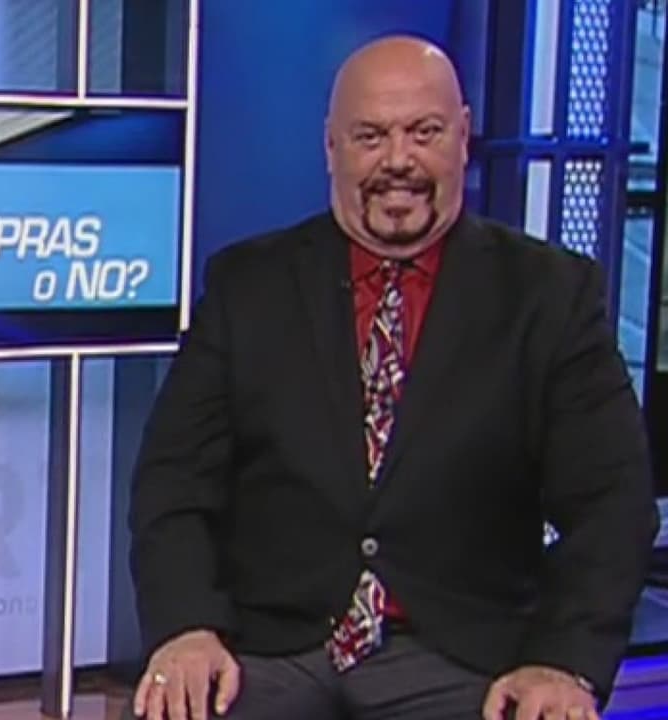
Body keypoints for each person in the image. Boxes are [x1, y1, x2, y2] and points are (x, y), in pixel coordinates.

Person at [125, 35, 658, 720]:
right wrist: (186, 628)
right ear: (331, 147)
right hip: (272, 648)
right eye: (371, 136)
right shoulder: (248, 286)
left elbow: (613, 504)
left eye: (423, 132)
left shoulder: (549, 295)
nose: (398, 160)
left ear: (463, 135)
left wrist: (562, 663)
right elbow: (173, 480)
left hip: (466, 659)